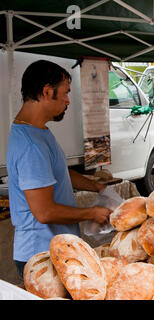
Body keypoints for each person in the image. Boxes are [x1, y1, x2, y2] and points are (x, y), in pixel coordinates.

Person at [6, 60, 112, 280]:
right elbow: (44, 212)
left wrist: (96, 186)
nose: (67, 101)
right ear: (46, 91)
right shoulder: (30, 145)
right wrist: (91, 213)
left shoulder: (38, 132)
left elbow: (58, 172)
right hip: (41, 255)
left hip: (57, 249)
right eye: (65, 94)